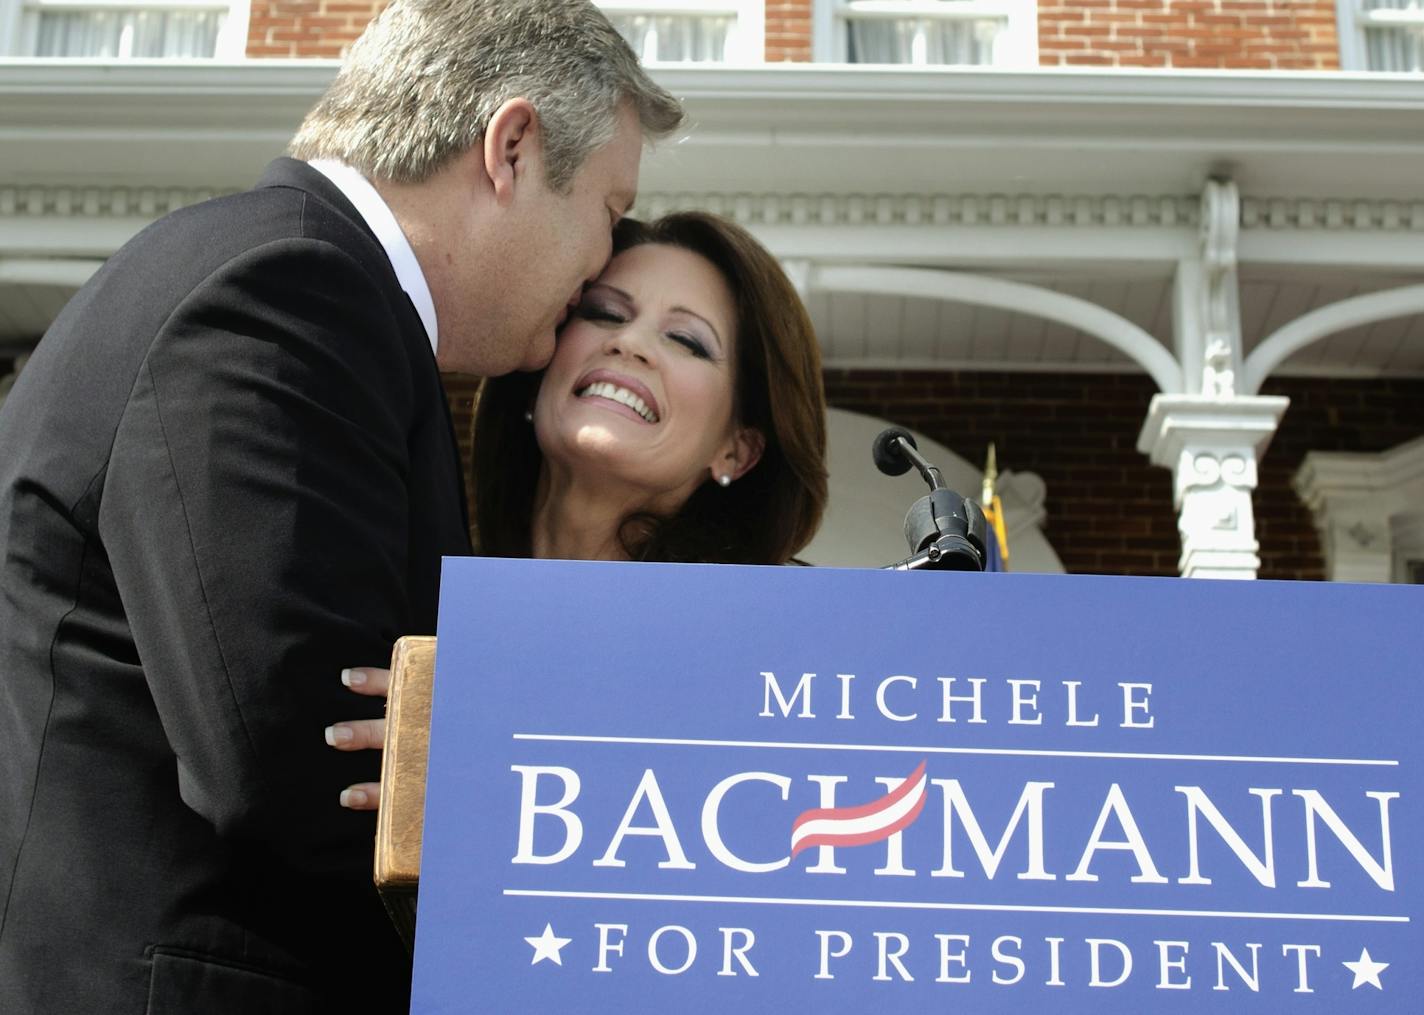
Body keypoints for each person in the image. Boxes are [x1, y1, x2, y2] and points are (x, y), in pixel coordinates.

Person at [0, 1, 681, 1011]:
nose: (600, 258)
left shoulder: (287, 278)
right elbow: (305, 748)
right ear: (512, 147)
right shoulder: (292, 286)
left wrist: (434, 722)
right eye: (606, 207)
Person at [329, 211, 829, 806]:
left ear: (737, 450)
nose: (630, 342)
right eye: (605, 313)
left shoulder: (785, 659)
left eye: (686, 340)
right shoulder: (400, 592)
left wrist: (518, 754)